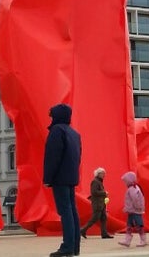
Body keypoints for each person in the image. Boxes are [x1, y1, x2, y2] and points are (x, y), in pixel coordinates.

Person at [43, 104, 82, 257]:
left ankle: (67, 246)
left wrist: (48, 177)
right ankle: (74, 246)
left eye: (52, 115)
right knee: (72, 211)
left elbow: (53, 157)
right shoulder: (74, 133)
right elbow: (78, 157)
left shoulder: (56, 131)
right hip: (71, 176)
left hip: (60, 177)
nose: (51, 118)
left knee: (65, 211)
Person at [80, 167, 113, 239]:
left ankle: (104, 233)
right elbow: (94, 192)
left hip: (101, 203)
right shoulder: (95, 182)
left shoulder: (99, 182)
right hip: (97, 203)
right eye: (103, 173)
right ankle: (83, 230)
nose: (104, 175)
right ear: (98, 174)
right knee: (95, 218)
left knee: (104, 218)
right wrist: (104, 193)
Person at [118, 171, 147, 247]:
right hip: (132, 211)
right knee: (129, 226)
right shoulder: (134, 187)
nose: (125, 183)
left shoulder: (132, 189)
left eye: (125, 181)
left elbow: (135, 199)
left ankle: (142, 240)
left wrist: (137, 208)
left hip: (135, 211)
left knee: (139, 225)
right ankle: (127, 240)